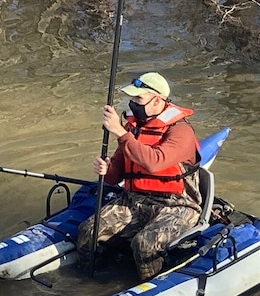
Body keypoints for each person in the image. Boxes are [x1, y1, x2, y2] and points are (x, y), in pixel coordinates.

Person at [76, 71, 203, 279]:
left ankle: (150, 286)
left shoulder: (181, 132)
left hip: (177, 205)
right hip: (134, 199)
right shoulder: (133, 128)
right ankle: (89, 280)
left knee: (145, 244)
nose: (133, 103)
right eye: (132, 98)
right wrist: (107, 170)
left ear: (157, 100)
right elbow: (116, 175)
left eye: (138, 98)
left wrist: (119, 132)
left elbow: (155, 162)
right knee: (89, 230)